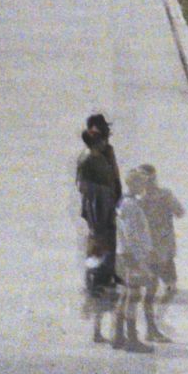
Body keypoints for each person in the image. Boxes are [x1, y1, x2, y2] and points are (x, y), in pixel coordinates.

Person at [76, 114, 122, 343]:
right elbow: (85, 188)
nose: (105, 140)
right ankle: (98, 325)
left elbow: (114, 177)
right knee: (98, 264)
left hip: (106, 213)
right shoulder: (87, 160)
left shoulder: (105, 153)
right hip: (99, 216)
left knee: (105, 260)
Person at [133, 162, 184, 328]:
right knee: (156, 289)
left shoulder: (159, 196)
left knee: (168, 287)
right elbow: (180, 212)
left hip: (162, 251)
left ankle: (156, 318)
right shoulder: (141, 200)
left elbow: (180, 212)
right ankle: (153, 322)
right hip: (154, 252)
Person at [114, 168, 157, 350]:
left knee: (125, 295)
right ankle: (132, 339)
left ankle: (118, 336)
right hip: (132, 256)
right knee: (134, 296)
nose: (144, 186)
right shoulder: (131, 205)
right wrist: (141, 260)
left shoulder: (124, 201)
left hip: (124, 254)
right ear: (133, 184)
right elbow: (132, 235)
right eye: (141, 182)